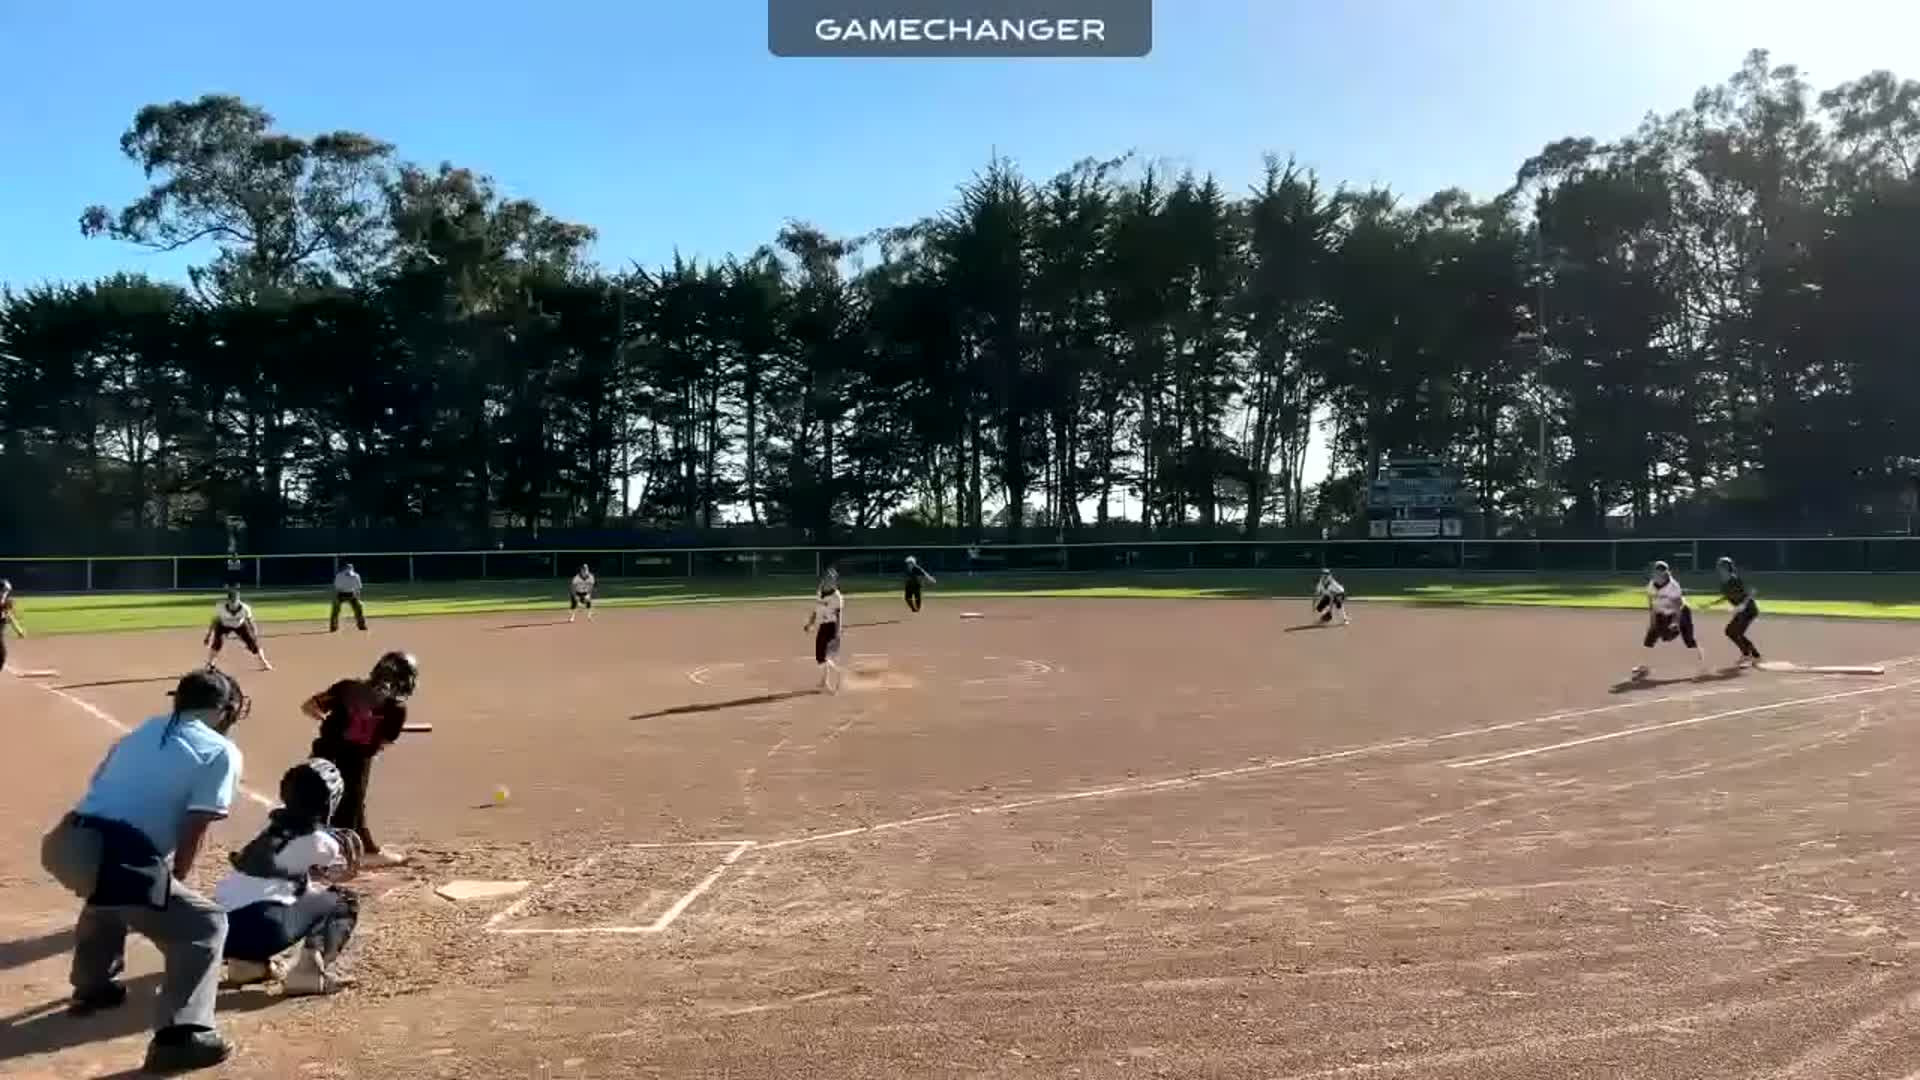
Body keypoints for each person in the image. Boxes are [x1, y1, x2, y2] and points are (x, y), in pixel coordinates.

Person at [39, 668, 249, 1073]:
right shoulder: (221, 751)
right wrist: (175, 879)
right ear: (225, 710)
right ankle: (181, 1036)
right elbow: (196, 823)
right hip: (111, 852)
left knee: (111, 890)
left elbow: (100, 782)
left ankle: (95, 986)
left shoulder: (143, 730)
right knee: (204, 925)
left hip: (65, 841)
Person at [214, 758, 361, 996]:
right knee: (343, 900)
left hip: (218, 931)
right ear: (329, 804)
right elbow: (332, 871)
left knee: (275, 894)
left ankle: (245, 967)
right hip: (263, 928)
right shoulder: (323, 843)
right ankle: (308, 974)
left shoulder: (265, 825)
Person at [302, 651, 420, 868]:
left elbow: (309, 707)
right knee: (350, 805)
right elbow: (385, 742)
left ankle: (314, 849)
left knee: (316, 801)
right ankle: (349, 853)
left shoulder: (347, 688)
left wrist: (327, 722)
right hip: (356, 762)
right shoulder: (396, 710)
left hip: (323, 755)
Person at [1632, 560, 1709, 680]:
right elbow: (1651, 605)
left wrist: (1675, 622)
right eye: (1656, 571)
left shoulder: (1673, 586)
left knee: (1688, 640)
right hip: (1662, 613)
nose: (1657, 574)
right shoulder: (1651, 585)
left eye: (1660, 572)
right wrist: (1652, 621)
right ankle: (1643, 665)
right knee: (1650, 637)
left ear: (1665, 573)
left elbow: (1678, 607)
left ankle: (1702, 662)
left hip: (1681, 613)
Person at [1708, 555, 1763, 666]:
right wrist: (1710, 604)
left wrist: (1743, 604)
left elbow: (1749, 593)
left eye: (1721, 567)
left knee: (1737, 632)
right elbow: (1726, 596)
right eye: (1719, 567)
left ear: (1726, 568)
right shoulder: (1724, 583)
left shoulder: (1735, 580)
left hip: (1749, 610)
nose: (1719, 569)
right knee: (1729, 631)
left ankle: (1751, 655)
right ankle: (1751, 654)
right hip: (1741, 611)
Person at [205, 589, 272, 671]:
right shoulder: (220, 607)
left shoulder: (245, 608)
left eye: (236, 601)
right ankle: (210, 663)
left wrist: (254, 634)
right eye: (232, 602)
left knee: (254, 643)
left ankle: (264, 663)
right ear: (228, 601)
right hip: (223, 626)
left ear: (239, 600)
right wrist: (208, 635)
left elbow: (250, 621)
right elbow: (214, 621)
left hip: (240, 625)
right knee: (217, 643)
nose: (234, 604)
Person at [803, 570, 845, 694]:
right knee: (822, 656)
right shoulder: (820, 592)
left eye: (831, 579)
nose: (828, 580)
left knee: (822, 656)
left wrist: (838, 630)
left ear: (834, 582)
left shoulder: (837, 597)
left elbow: (839, 614)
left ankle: (835, 673)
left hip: (831, 626)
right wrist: (810, 623)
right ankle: (825, 680)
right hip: (823, 625)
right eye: (827, 577)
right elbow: (816, 610)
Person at [329, 563, 367, 633]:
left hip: (350, 594)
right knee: (336, 609)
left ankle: (361, 625)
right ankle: (333, 626)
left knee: (358, 607)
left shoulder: (356, 576)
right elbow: (336, 589)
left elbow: (357, 589)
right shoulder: (340, 576)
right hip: (341, 594)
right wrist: (336, 599)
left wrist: (358, 599)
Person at [0, 578, 23, 672]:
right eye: (4, 590)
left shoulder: (6, 602)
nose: (6, 593)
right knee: (2, 655)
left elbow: (9, 615)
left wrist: (18, 629)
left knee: (2, 656)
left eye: (7, 591)